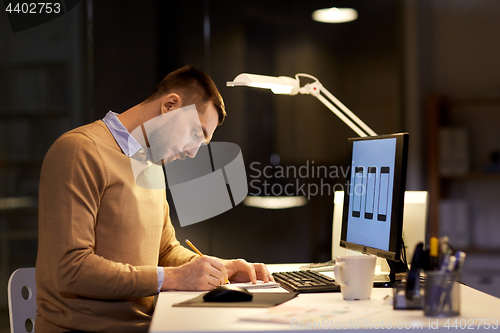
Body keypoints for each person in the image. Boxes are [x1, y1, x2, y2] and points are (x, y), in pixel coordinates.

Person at [35, 65, 274, 333]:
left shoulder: (150, 164)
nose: (193, 153)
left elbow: (165, 250)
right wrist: (173, 278)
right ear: (170, 105)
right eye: (195, 134)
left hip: (147, 325)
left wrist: (220, 268)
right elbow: (70, 270)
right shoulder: (79, 151)